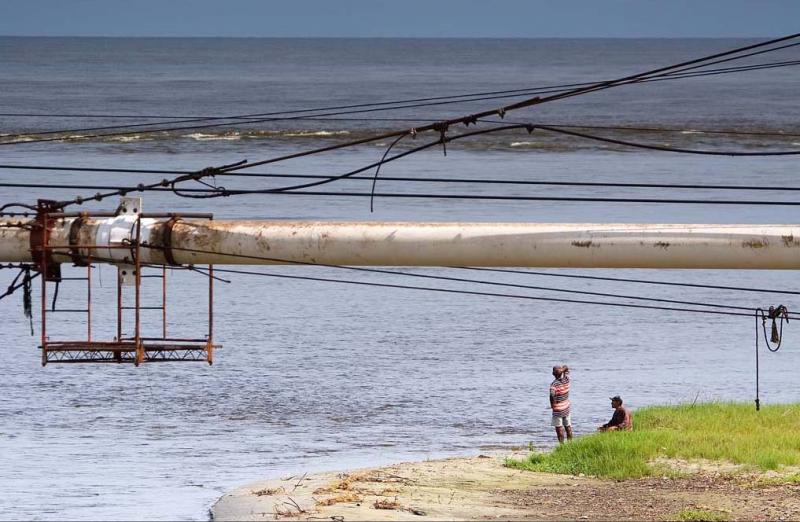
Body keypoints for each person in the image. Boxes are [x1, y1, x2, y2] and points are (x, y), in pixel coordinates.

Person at [549, 364, 573, 443]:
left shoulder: (554, 384)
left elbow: (552, 395)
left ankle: (562, 446)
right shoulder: (567, 379)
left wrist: (552, 405)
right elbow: (566, 366)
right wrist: (562, 371)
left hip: (558, 409)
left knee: (559, 428)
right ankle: (570, 444)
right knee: (568, 427)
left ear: (553, 374)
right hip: (566, 407)